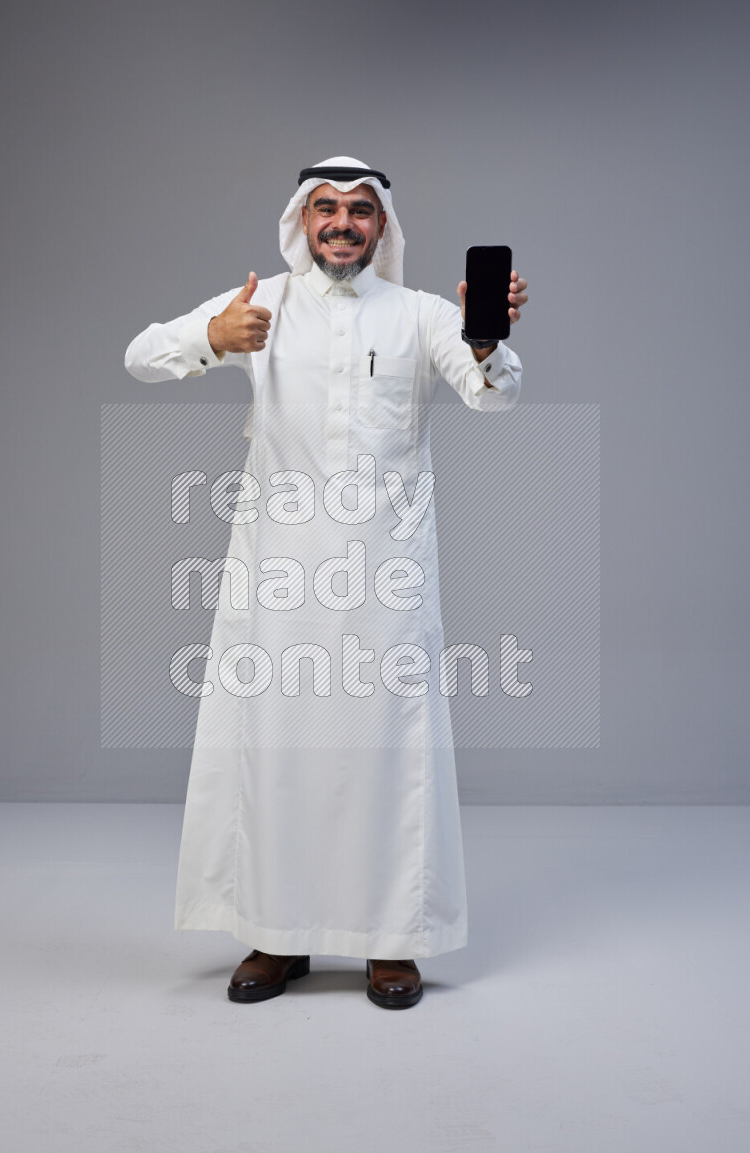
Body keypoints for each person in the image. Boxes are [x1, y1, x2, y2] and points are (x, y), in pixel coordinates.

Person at [125, 156, 528, 1009]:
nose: (341, 223)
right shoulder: (259, 303)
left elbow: (491, 395)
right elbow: (139, 356)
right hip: (277, 575)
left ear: (382, 228)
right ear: (301, 222)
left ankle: (391, 944)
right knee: (278, 752)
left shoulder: (420, 314)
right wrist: (210, 339)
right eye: (325, 209)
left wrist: (486, 341)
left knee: (387, 754)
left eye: (358, 211)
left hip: (386, 575)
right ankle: (277, 935)